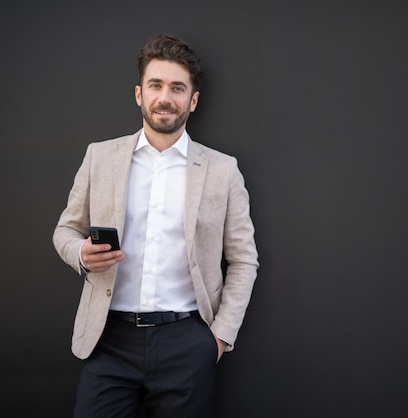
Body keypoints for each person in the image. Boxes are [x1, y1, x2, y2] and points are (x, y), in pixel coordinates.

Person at [52, 33, 259, 417]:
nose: (166, 97)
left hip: (187, 342)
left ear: (193, 100)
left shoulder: (223, 170)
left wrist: (219, 338)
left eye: (178, 88)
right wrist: (80, 253)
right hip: (107, 339)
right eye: (156, 85)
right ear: (139, 94)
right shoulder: (100, 157)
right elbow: (65, 230)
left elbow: (244, 260)